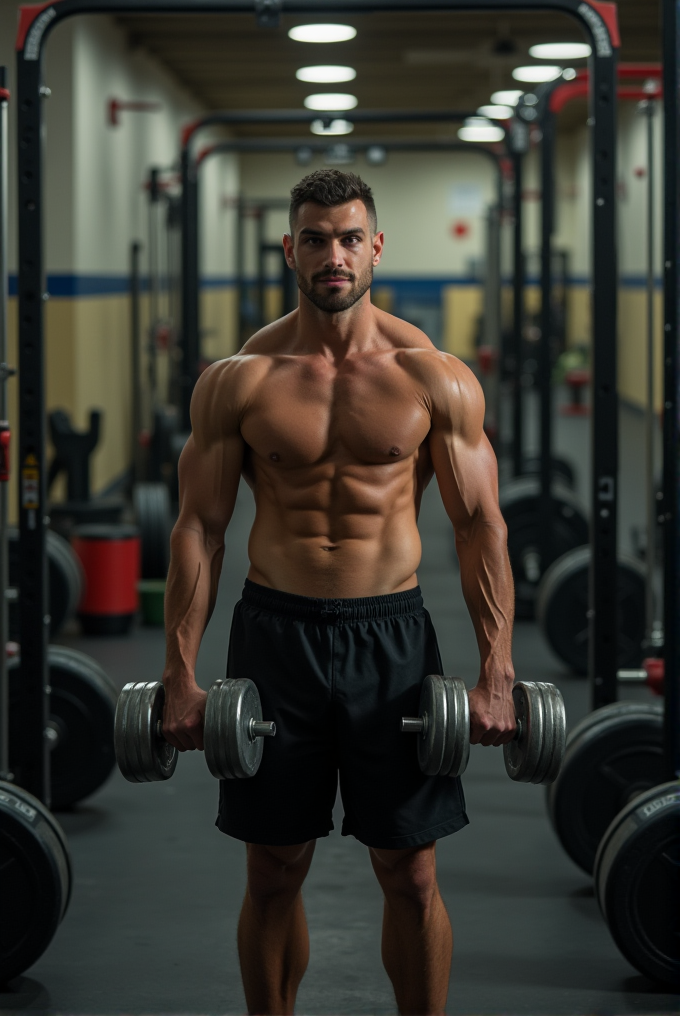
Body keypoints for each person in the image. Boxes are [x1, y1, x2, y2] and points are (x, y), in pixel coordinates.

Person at [161, 169, 517, 1016]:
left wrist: (497, 669)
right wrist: (178, 672)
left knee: (411, 869)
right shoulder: (239, 379)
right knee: (274, 868)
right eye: (315, 238)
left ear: (377, 247)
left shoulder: (435, 375)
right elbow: (198, 530)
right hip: (274, 637)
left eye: (350, 238)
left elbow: (481, 528)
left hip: (389, 637)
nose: (334, 255)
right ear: (290, 248)